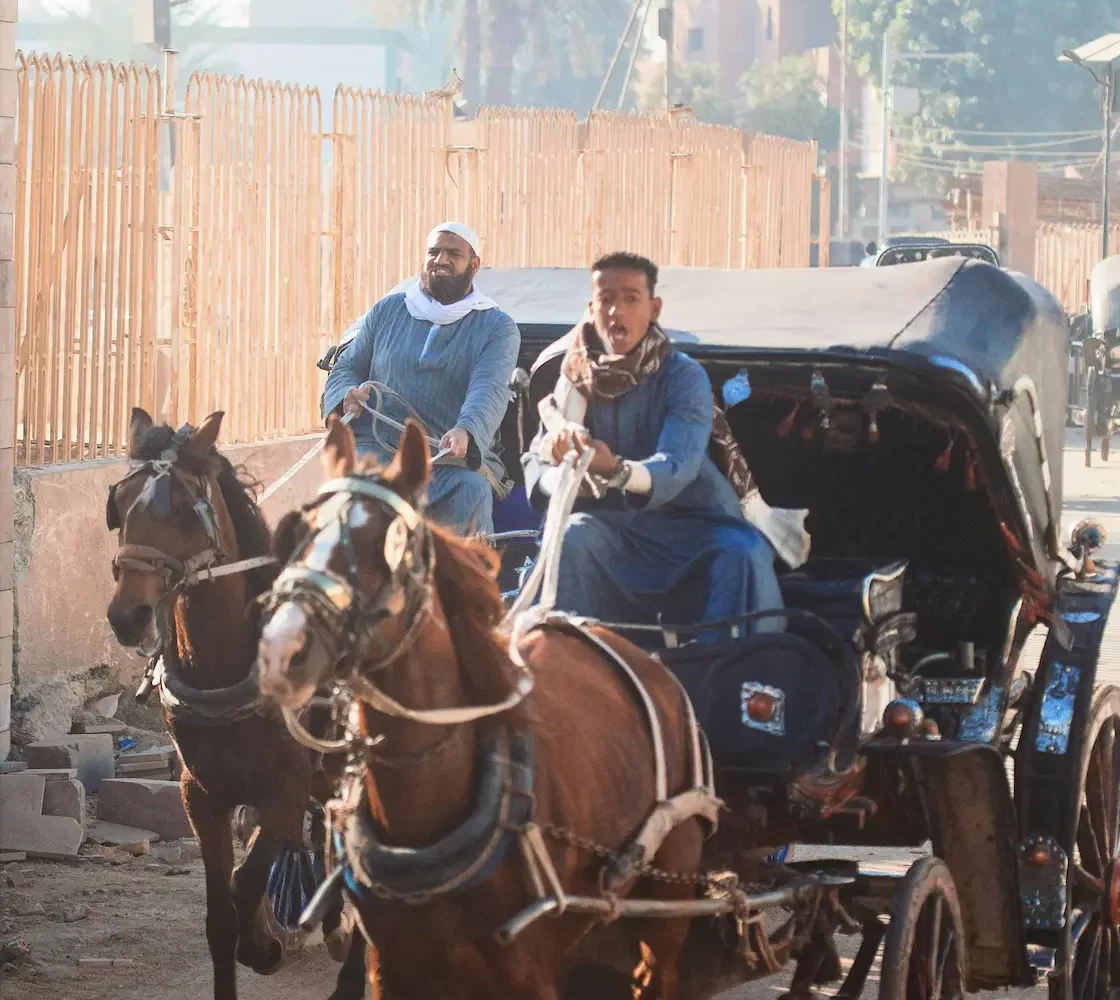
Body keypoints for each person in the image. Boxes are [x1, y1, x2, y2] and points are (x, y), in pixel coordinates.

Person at [522, 252, 792, 642]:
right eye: (607, 299)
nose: (617, 312)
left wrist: (614, 468)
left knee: (742, 554)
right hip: (616, 529)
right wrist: (561, 468)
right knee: (571, 537)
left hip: (696, 528)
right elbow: (536, 459)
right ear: (591, 306)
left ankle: (728, 682)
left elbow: (677, 464)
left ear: (654, 308)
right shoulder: (571, 377)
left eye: (631, 299)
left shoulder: (684, 376)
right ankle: (580, 670)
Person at [322, 222, 521, 535]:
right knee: (351, 493)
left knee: (471, 491)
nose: (440, 259)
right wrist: (345, 393)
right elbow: (346, 367)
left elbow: (489, 389)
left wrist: (467, 429)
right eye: (434, 252)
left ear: (474, 265)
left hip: (447, 463)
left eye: (452, 253)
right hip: (378, 451)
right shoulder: (387, 310)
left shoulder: (497, 327)